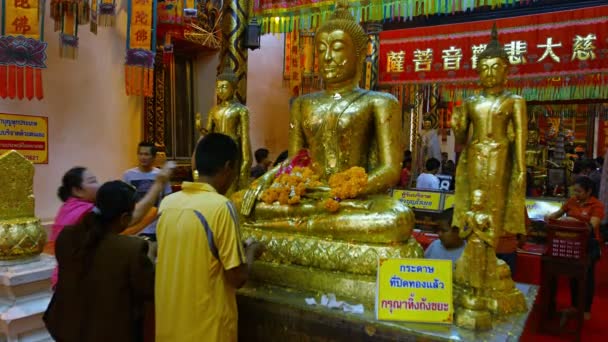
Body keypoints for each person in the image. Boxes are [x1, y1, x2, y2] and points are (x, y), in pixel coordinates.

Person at [155, 133, 263, 342]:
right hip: (207, 331)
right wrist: (250, 251)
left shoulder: (168, 204)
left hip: (169, 328)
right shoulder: (220, 207)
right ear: (228, 167)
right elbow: (237, 277)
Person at [44, 181, 155, 342]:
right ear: (125, 218)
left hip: (66, 329)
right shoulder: (131, 249)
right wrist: (150, 256)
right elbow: (147, 293)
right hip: (109, 333)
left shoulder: (67, 236)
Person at [50, 165, 171, 288]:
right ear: (77, 190)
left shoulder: (68, 208)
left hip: (67, 281)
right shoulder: (85, 213)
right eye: (93, 181)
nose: (99, 185)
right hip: (76, 284)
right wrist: (158, 184)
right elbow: (132, 218)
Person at [546, 176, 604, 320]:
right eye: (574, 191)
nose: (575, 195)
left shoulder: (596, 205)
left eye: (578, 191)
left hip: (589, 245)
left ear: (589, 191)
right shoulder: (572, 201)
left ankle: (586, 309)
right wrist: (549, 217)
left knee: (587, 276)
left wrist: (574, 221)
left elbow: (592, 226)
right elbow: (557, 214)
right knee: (573, 274)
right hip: (570, 242)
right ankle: (574, 305)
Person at [122, 141, 173, 238]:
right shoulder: (128, 175)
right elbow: (125, 201)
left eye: (146, 154)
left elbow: (167, 199)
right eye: (140, 154)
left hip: (155, 226)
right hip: (135, 226)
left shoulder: (161, 175)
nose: (143, 157)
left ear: (153, 157)